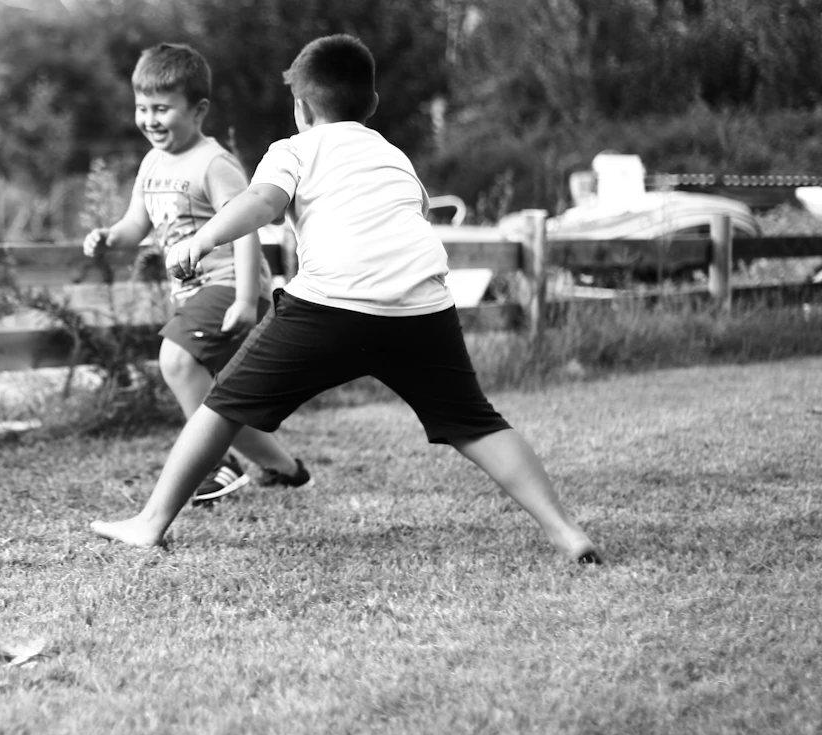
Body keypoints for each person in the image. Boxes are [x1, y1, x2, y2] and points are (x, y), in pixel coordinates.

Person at [91, 34, 601, 564]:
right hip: (423, 308)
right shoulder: (394, 155)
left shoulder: (293, 149)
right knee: (476, 423)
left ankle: (151, 523)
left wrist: (202, 238)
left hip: (329, 307)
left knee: (220, 406)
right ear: (372, 106)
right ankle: (564, 530)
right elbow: (411, 220)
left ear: (301, 107)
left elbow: (262, 202)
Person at [82, 43, 309, 502]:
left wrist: (247, 298)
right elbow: (136, 225)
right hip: (193, 296)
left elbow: (244, 227)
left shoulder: (213, 162)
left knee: (175, 360)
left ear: (199, 109)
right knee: (217, 400)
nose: (149, 120)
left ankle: (217, 463)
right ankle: (284, 468)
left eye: (162, 109)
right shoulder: (151, 163)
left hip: (228, 285)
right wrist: (109, 237)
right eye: (142, 108)